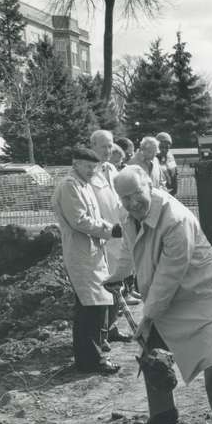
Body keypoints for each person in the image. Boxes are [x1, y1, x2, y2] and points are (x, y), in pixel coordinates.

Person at [108, 165, 212, 424]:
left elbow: (169, 277)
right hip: (168, 297)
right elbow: (129, 249)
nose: (131, 203)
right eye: (124, 198)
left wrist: (147, 317)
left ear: (150, 186)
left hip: (202, 296)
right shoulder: (128, 215)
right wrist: (117, 275)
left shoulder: (175, 219)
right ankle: (164, 414)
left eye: (136, 195)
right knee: (151, 352)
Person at [52, 147, 122, 375]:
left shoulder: (84, 185)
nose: (92, 171)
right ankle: (90, 361)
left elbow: (95, 216)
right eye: (88, 166)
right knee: (90, 308)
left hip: (93, 253)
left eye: (95, 167)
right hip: (81, 254)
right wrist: (112, 230)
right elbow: (80, 221)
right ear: (76, 164)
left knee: (95, 305)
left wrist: (109, 228)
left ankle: (92, 356)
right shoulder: (70, 186)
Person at [90, 130, 135, 347]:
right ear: (93, 147)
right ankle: (101, 334)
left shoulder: (111, 169)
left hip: (118, 235)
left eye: (110, 146)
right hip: (101, 237)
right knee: (103, 287)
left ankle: (112, 327)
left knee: (117, 284)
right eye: (103, 147)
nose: (108, 151)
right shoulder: (89, 172)